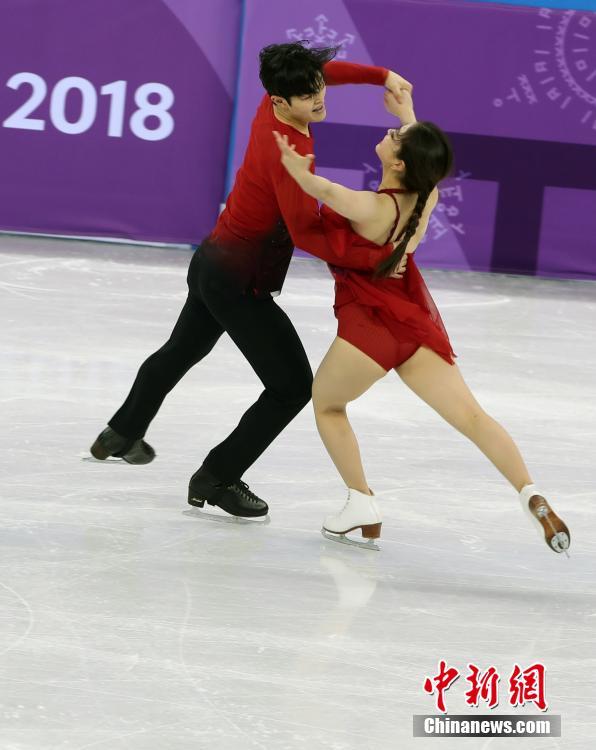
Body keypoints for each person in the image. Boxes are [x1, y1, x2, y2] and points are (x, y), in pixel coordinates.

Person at [90, 42, 413, 520]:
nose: (319, 98)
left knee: (181, 351)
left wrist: (381, 74)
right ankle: (217, 476)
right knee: (292, 387)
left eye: (319, 88)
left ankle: (121, 431)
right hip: (238, 280)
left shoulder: (276, 101)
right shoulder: (291, 153)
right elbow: (307, 231)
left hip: (212, 262)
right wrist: (375, 256)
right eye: (308, 96)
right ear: (280, 100)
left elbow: (321, 71)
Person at [274, 86, 570, 555]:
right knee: (473, 417)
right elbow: (422, 160)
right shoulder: (424, 197)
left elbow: (326, 192)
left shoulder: (373, 207)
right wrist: (408, 114)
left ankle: (361, 501)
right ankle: (530, 492)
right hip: (413, 326)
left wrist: (295, 169)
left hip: (369, 328)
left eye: (395, 136)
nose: (390, 133)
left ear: (397, 164)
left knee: (327, 405)